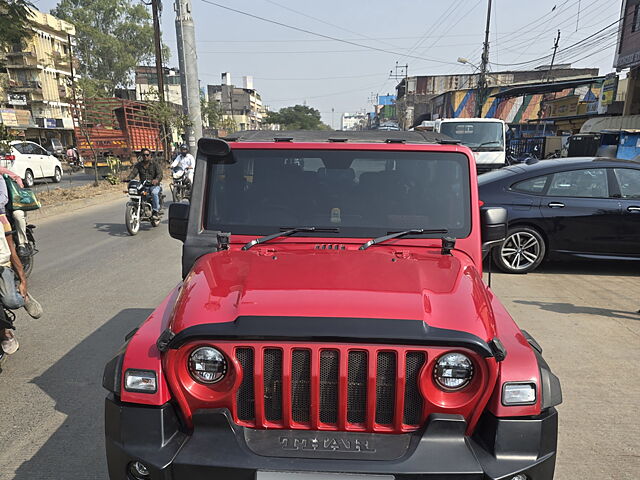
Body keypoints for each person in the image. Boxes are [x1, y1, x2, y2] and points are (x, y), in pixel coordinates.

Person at [0, 176, 42, 355]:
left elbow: (11, 249)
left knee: (9, 300)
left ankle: (21, 300)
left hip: (2, 266)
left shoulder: (2, 220)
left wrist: (23, 280)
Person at [0, 167, 29, 257]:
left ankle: (22, 244)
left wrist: (19, 186)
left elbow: (3, 197)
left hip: (12, 206)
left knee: (18, 215)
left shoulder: (2, 174)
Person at [127, 148, 163, 219]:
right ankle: (138, 208)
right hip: (143, 185)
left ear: (150, 156)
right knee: (136, 193)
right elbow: (133, 173)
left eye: (147, 155)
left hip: (154, 185)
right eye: (143, 155)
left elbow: (160, 174)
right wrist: (128, 178)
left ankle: (155, 211)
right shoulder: (138, 165)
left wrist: (156, 180)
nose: (145, 156)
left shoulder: (155, 164)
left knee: (154, 193)